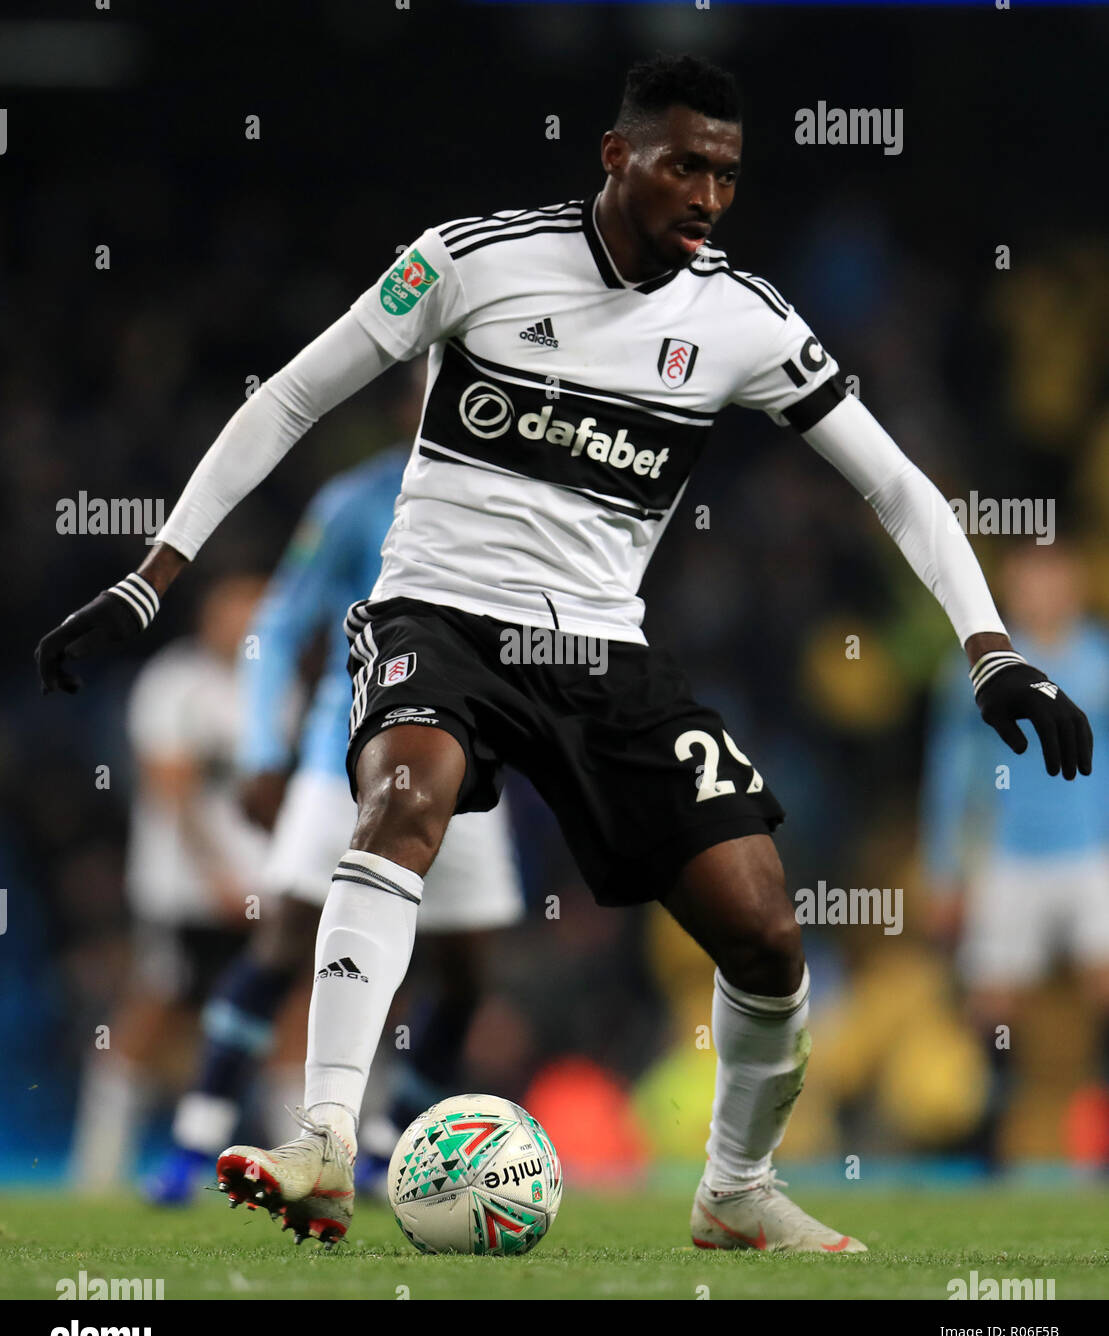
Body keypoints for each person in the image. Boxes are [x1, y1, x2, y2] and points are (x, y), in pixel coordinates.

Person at [37, 54, 1092, 1251]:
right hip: (436, 613)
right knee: (403, 800)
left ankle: (734, 1189)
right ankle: (324, 1140)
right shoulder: (469, 260)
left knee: (764, 930)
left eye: (726, 175)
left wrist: (989, 649)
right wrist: (150, 573)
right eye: (682, 164)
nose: (704, 195)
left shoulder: (739, 318)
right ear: (615, 155)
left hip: (601, 649)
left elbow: (899, 488)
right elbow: (286, 399)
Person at [148, 368, 525, 1204]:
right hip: (340, 753)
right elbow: (283, 620)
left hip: (473, 764)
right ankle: (195, 1140)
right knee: (285, 936)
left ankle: (390, 1150)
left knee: (464, 972)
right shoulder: (357, 503)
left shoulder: (520, 503)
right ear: (407, 411)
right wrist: (258, 748)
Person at [69, 574, 269, 1189]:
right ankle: (98, 1165)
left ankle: (315, 1166)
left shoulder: (277, 688)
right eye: (237, 608)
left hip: (264, 893)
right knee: (156, 1011)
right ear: (210, 614)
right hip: (185, 892)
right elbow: (171, 790)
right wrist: (217, 878)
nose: (248, 624)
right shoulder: (173, 683)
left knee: (289, 1012)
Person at [921, 540, 1109, 1170]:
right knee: (993, 1005)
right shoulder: (980, 670)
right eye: (1029, 581)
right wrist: (944, 868)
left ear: (1075, 584)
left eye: (1054, 579)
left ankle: (1100, 1137)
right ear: (1010, 589)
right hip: (1010, 855)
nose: (1042, 592)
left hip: (1091, 851)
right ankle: (986, 1151)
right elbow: (954, 772)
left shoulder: (1100, 663)